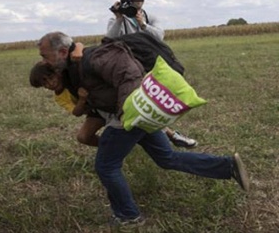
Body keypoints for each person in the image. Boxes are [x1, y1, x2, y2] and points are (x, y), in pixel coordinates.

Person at [33, 31, 249, 229]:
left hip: (127, 116)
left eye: (45, 56)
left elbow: (129, 72)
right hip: (138, 116)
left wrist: (126, 110)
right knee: (167, 158)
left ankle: (128, 216)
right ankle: (227, 166)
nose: (44, 61)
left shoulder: (93, 57)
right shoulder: (73, 63)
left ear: (61, 51)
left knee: (106, 166)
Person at [107, 0, 198, 148]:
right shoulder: (118, 16)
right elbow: (109, 39)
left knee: (151, 100)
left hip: (149, 63)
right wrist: (119, 17)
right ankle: (169, 134)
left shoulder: (149, 16)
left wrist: (143, 25)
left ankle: (163, 135)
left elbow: (160, 37)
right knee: (140, 101)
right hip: (127, 64)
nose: (138, 0)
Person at [30, 60, 105, 147]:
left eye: (51, 77)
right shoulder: (59, 97)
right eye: (45, 83)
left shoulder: (72, 76)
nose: (50, 83)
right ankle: (110, 147)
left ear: (57, 72)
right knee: (83, 137)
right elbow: (76, 112)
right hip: (94, 112)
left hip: (105, 103)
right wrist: (82, 100)